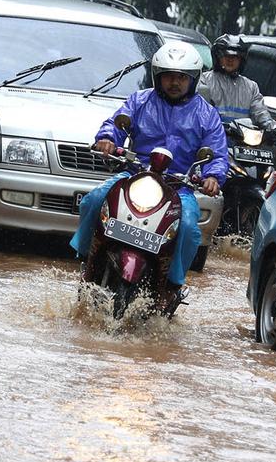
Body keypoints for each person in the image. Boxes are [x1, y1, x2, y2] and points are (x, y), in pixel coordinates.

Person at [69, 40, 228, 301]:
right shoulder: (140, 100)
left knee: (188, 228)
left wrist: (212, 176)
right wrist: (108, 139)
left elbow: (217, 153)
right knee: (95, 199)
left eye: (181, 77)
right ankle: (88, 257)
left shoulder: (206, 114)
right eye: (168, 77)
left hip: (178, 187)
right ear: (157, 77)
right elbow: (116, 124)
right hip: (134, 176)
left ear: (193, 79)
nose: (174, 83)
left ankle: (173, 286)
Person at [199, 34, 276, 144]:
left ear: (241, 59)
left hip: (243, 144)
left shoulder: (251, 86)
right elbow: (200, 114)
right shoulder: (204, 80)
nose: (230, 60)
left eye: (235, 57)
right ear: (217, 57)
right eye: (226, 56)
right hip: (211, 141)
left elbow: (261, 114)